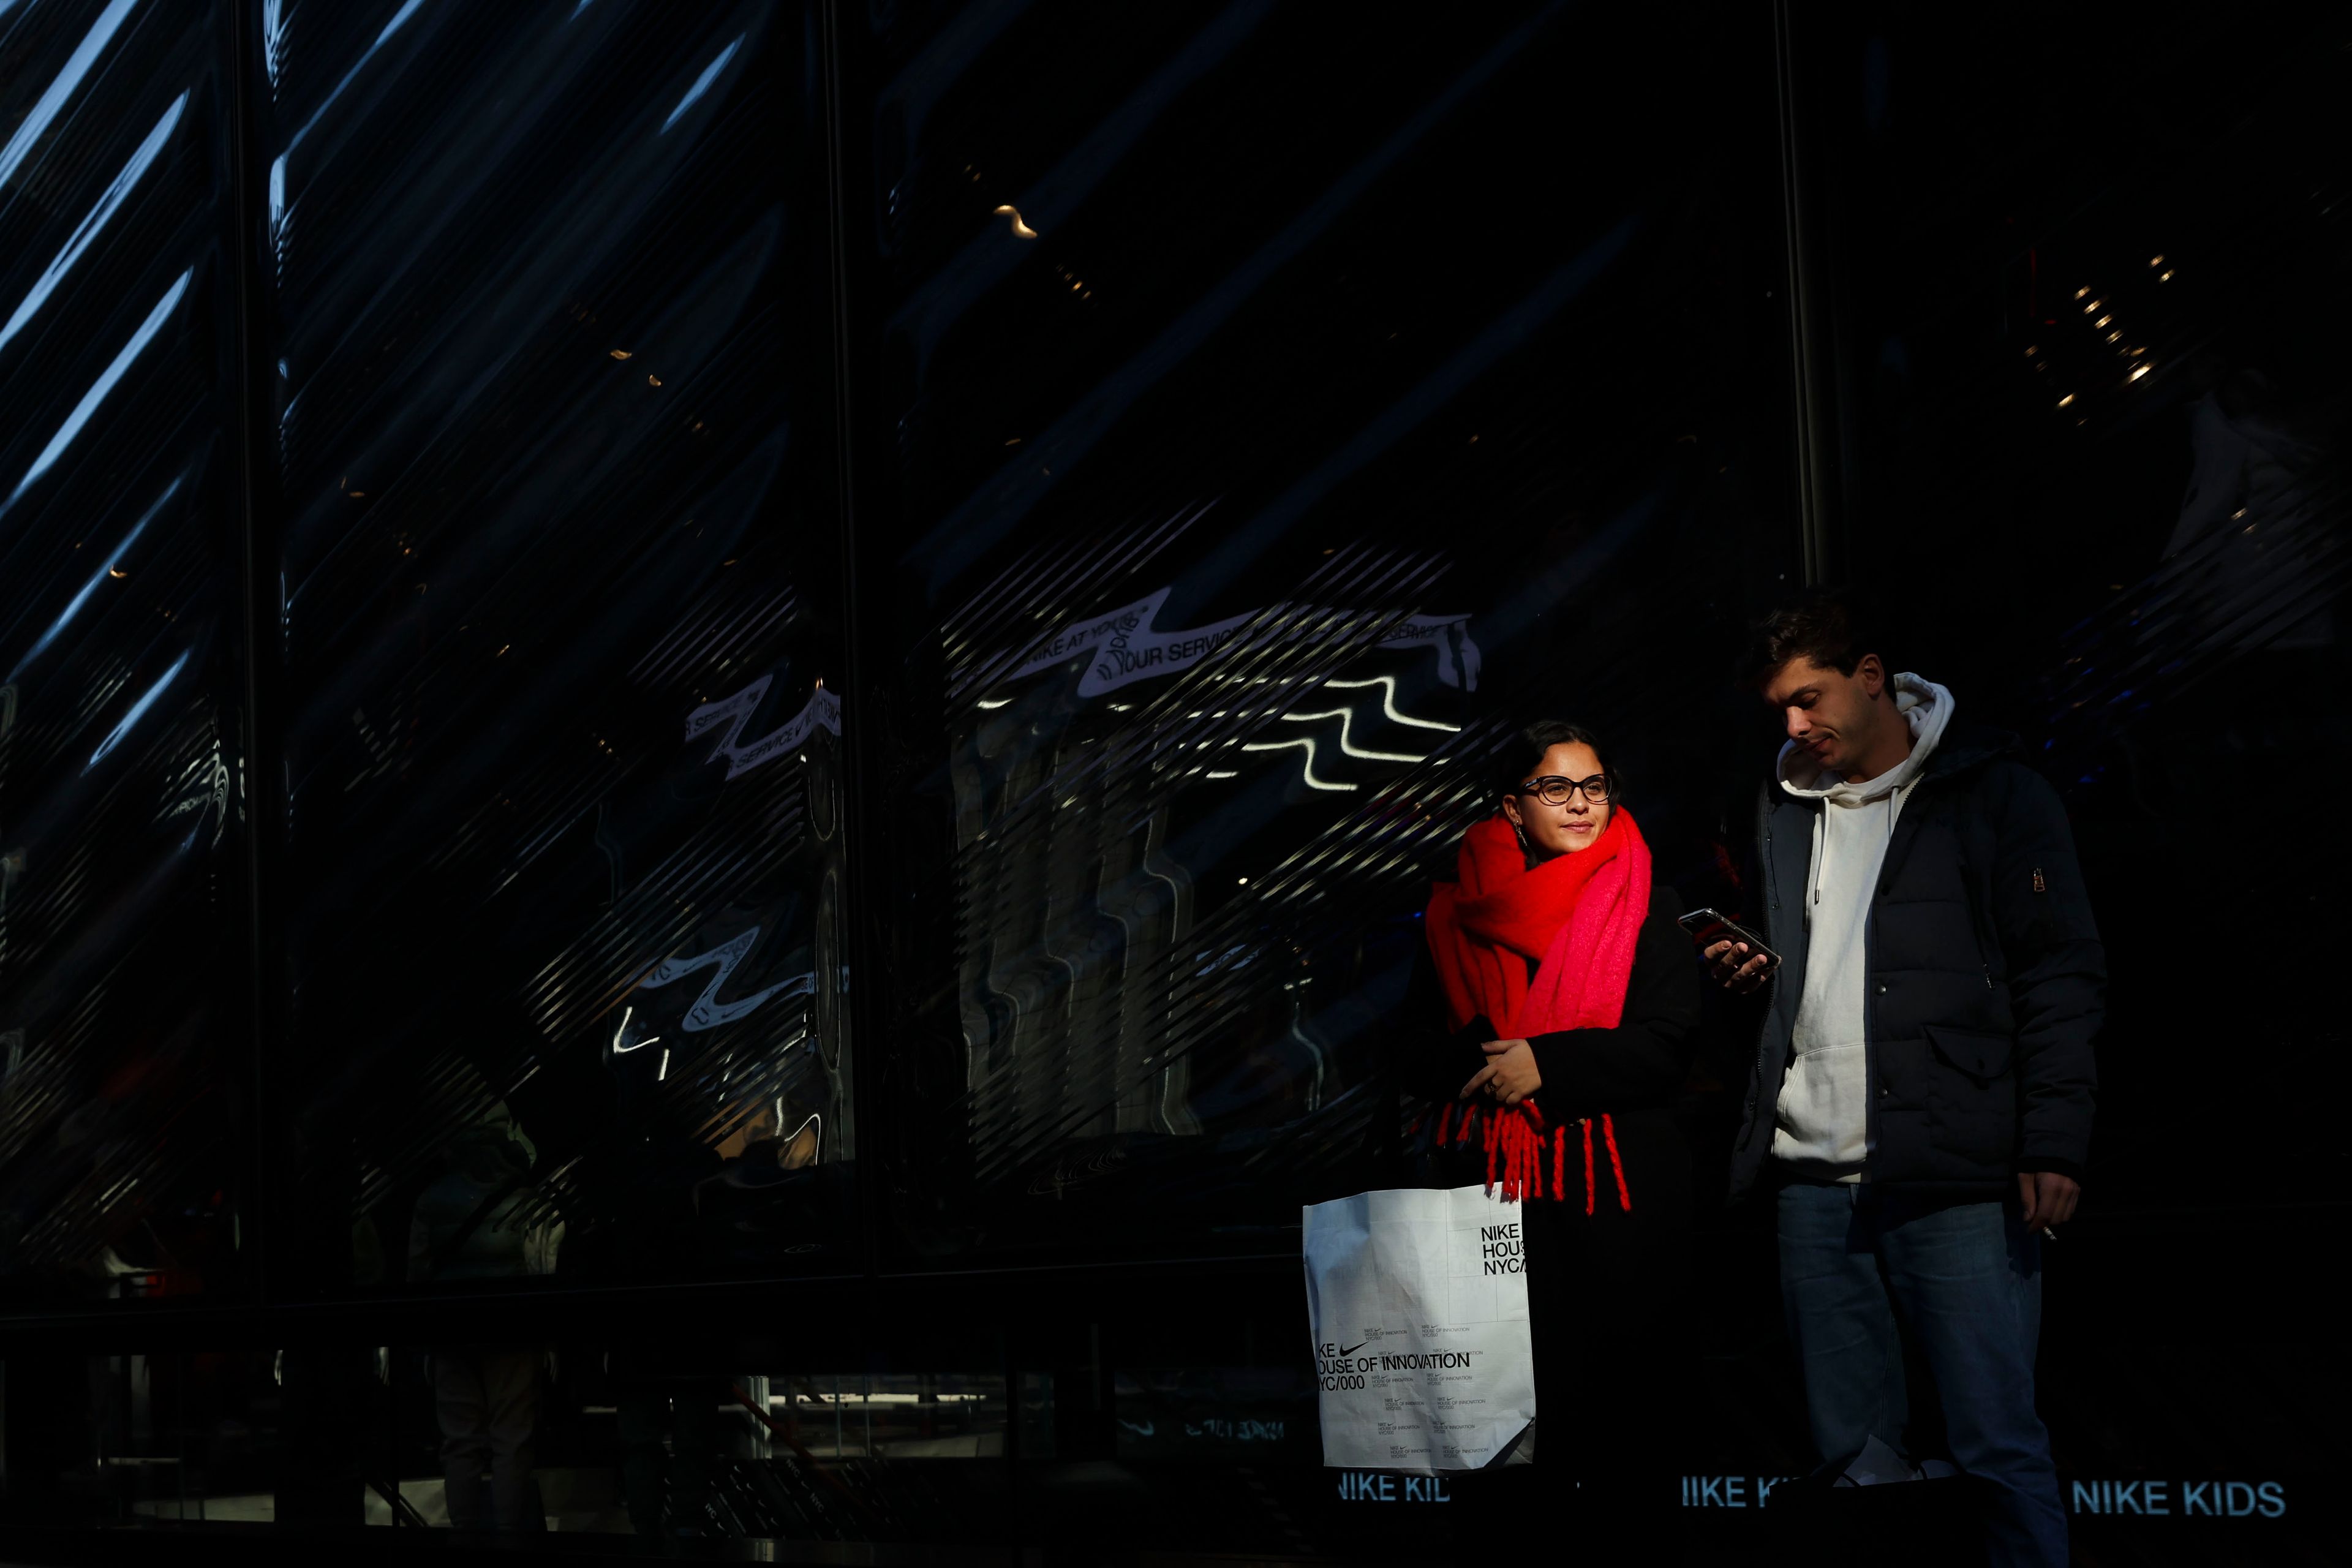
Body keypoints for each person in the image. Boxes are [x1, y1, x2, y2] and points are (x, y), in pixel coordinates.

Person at [1705, 590, 2101, 1567]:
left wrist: (2053, 1138)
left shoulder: (1992, 789)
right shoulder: (1781, 802)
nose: (1795, 727)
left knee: (1997, 1447)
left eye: (1810, 699)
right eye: (1780, 711)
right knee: (1855, 1463)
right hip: (1814, 1180)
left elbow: (2059, 970)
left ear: (1873, 677)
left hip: (1958, 1174)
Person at [1400, 720, 1702, 1539]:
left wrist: (1550, 1068)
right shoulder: (1453, 914)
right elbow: (1407, 1049)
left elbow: (1665, 1044)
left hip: (1619, 1208)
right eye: (1555, 786)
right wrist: (1493, 1062)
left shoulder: (1652, 902)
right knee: (1503, 1454)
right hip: (1491, 1212)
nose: (1580, 803)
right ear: (1511, 805)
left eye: (1594, 785)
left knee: (1624, 1450)